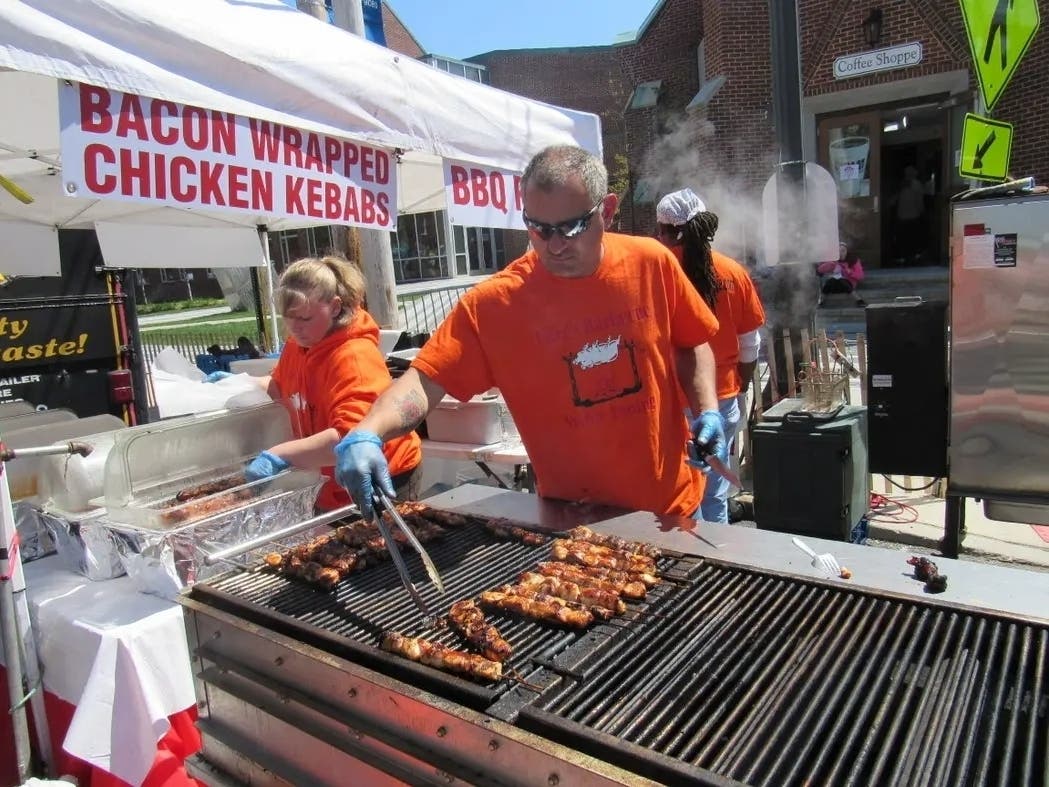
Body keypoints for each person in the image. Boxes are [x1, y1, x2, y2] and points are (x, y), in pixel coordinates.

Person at [334, 144, 727, 522]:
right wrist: (369, 431)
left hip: (671, 508)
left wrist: (707, 408)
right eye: (538, 228)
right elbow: (422, 384)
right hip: (570, 516)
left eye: (571, 227)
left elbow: (693, 342)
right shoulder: (494, 304)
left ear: (606, 210)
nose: (554, 245)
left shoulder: (651, 262)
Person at [219, 256, 422, 511]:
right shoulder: (299, 345)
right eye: (288, 318)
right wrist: (240, 383)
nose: (295, 328)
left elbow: (350, 437)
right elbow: (282, 385)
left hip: (381, 474)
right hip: (330, 479)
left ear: (335, 307)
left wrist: (279, 455)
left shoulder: (355, 357)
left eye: (305, 318)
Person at [655, 188, 766, 524]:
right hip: (724, 402)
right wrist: (741, 386)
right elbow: (751, 344)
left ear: (666, 231)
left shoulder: (660, 273)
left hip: (675, 404)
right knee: (715, 491)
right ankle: (718, 558)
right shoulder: (733, 272)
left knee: (682, 494)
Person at [817, 242, 866, 307]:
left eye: (843, 251)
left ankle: (859, 300)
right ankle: (821, 301)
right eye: (838, 251)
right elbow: (819, 270)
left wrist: (849, 271)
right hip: (833, 286)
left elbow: (860, 276)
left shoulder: (853, 260)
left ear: (847, 251)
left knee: (842, 281)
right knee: (831, 281)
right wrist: (831, 263)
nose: (841, 253)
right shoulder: (832, 261)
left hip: (848, 285)